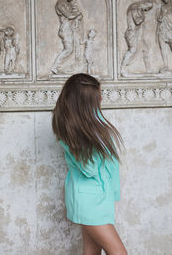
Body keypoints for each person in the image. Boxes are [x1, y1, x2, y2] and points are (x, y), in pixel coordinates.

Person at [52, 73, 127, 255]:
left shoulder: (93, 124)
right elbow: (90, 168)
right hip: (88, 201)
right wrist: (96, 135)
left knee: (91, 252)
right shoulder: (71, 131)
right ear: (85, 103)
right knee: (119, 253)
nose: (101, 99)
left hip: (100, 198)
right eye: (97, 97)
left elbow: (110, 166)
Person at [51, 0, 83, 74]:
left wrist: (78, 15)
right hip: (65, 28)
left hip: (69, 27)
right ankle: (55, 66)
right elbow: (69, 16)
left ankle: (59, 67)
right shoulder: (60, 4)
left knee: (71, 48)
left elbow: (73, 13)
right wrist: (78, 14)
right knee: (69, 49)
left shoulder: (67, 3)